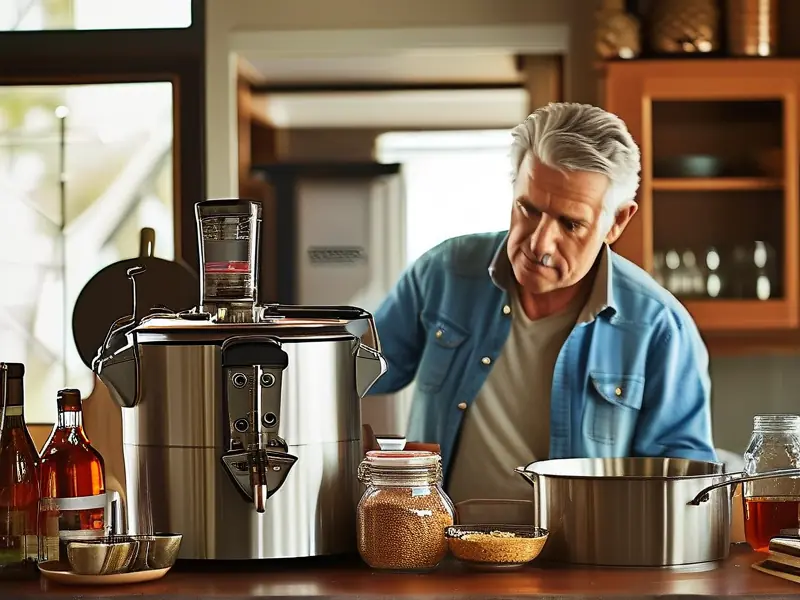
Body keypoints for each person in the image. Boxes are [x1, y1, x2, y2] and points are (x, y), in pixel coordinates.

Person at [367, 102, 717, 503]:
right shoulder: (443, 272)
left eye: (570, 223)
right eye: (528, 209)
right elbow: (349, 374)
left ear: (618, 221)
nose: (539, 243)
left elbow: (685, 485)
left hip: (581, 560)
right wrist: (359, 454)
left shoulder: (659, 326)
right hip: (436, 552)